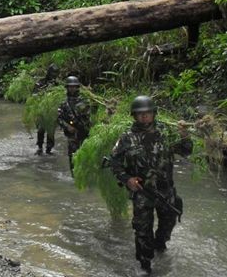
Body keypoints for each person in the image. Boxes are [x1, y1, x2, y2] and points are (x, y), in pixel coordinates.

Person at [109, 95, 192, 274]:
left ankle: (160, 245)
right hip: (142, 193)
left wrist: (185, 135)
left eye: (148, 113)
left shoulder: (167, 134)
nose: (144, 117)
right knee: (142, 231)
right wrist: (127, 179)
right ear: (134, 116)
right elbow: (114, 162)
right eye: (140, 114)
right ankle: (145, 266)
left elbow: (186, 151)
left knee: (168, 224)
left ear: (154, 114)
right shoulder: (126, 138)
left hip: (166, 191)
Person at [57, 76, 91, 176]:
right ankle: (74, 176)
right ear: (67, 88)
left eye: (74, 87)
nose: (72, 89)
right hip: (72, 134)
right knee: (73, 156)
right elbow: (59, 119)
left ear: (77, 87)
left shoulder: (85, 100)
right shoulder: (64, 104)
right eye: (70, 87)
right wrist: (68, 127)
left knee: (86, 155)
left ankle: (85, 176)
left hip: (84, 132)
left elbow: (92, 114)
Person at [34, 64, 59, 155]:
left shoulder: (57, 85)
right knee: (41, 129)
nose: (54, 75)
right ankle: (40, 147)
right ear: (48, 72)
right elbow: (34, 95)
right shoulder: (40, 82)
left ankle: (49, 149)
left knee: (51, 131)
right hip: (41, 110)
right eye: (53, 73)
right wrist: (45, 90)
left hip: (52, 111)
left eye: (56, 73)